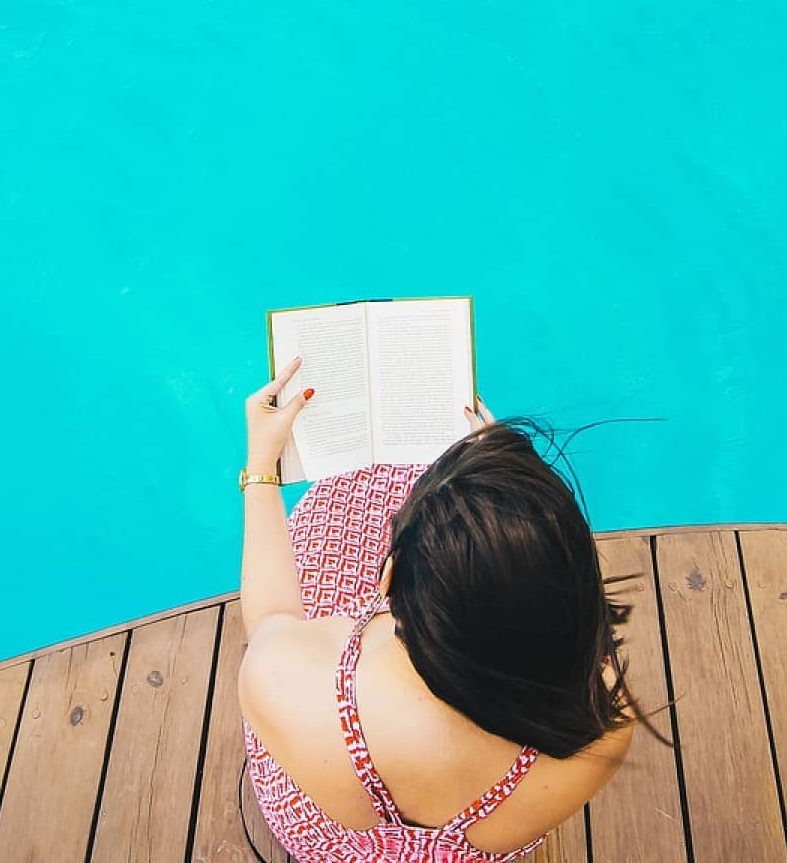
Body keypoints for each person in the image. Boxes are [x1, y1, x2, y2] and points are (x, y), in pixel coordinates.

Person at [235, 356, 641, 862]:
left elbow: (272, 617)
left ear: (385, 580)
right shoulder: (601, 727)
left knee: (320, 523)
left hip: (331, 809)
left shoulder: (293, 691)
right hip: (487, 829)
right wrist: (515, 504)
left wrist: (260, 472)